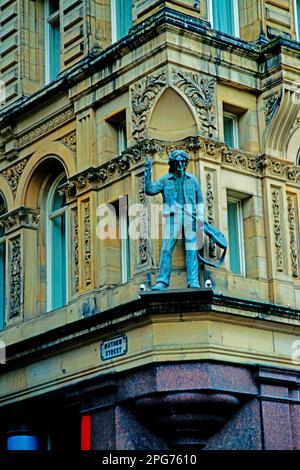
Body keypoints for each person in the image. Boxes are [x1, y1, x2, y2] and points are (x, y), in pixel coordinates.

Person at [144, 149, 204, 290]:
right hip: (173, 217)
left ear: (186, 163)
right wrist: (148, 173)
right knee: (166, 248)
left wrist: (200, 220)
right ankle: (162, 281)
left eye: (183, 162)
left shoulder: (193, 180)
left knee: (191, 249)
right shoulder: (165, 179)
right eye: (177, 162)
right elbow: (150, 190)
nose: (180, 165)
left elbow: (200, 201)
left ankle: (193, 281)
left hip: (190, 217)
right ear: (173, 164)